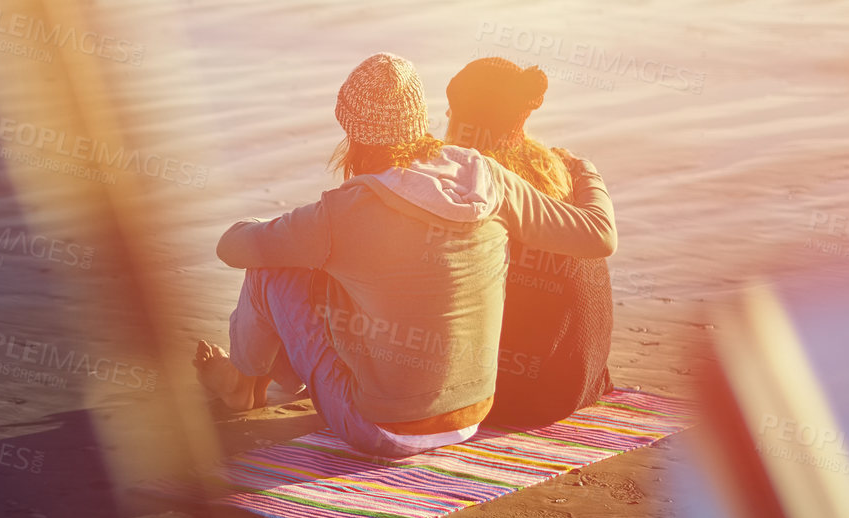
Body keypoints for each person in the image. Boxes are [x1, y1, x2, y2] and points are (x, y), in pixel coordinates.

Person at [193, 53, 615, 459]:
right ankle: (273, 373)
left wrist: (272, 226)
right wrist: (586, 171)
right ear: (421, 118)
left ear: (352, 132)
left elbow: (232, 248)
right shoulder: (484, 175)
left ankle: (240, 385)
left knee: (271, 275)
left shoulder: (343, 211)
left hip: (379, 431)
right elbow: (599, 236)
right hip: (473, 416)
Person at [444, 57, 615, 427]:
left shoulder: (478, 186)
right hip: (583, 381)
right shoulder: (556, 169)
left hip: (516, 398)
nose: (444, 115)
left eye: (452, 110)